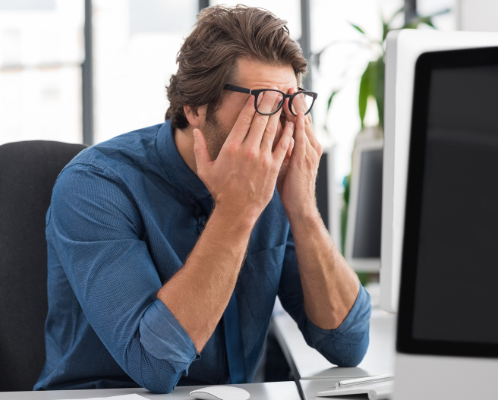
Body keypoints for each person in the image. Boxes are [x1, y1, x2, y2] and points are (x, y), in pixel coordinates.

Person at [35, 5, 371, 393]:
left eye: (291, 104)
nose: (280, 127)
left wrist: (303, 209)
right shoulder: (95, 186)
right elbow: (154, 367)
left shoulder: (277, 183)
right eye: (263, 102)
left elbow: (348, 344)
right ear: (195, 107)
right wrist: (237, 210)